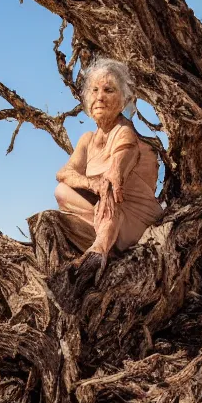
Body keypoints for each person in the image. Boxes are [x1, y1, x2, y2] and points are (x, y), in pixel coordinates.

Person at [51, 58, 163, 294]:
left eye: (109, 90)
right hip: (104, 212)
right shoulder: (87, 140)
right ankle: (98, 247)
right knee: (61, 191)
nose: (99, 97)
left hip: (136, 218)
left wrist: (109, 184)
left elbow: (119, 165)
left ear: (123, 100)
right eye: (95, 90)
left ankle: (99, 252)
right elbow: (64, 173)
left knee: (110, 198)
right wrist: (93, 184)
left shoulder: (123, 131)